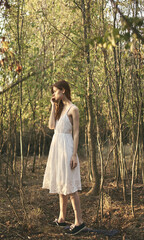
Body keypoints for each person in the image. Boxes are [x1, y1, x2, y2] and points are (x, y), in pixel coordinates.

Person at [42, 80, 86, 235]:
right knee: (61, 184)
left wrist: (74, 154)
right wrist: (53, 106)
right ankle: (61, 218)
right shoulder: (58, 108)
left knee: (70, 186)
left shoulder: (73, 109)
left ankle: (79, 222)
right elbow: (51, 126)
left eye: (55, 91)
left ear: (64, 91)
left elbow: (76, 133)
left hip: (67, 147)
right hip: (57, 147)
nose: (54, 94)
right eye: (53, 92)